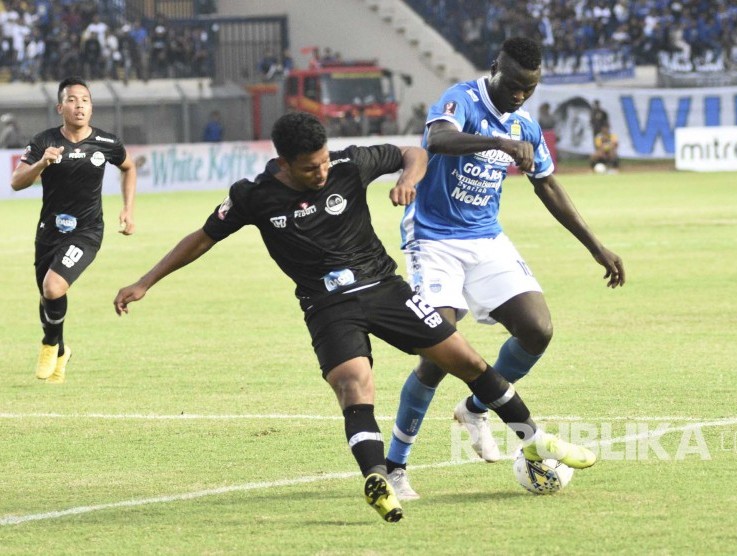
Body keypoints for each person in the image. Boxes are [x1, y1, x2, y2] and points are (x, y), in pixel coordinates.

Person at [112, 112, 598, 523]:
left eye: (324, 161)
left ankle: (534, 442)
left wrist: (408, 179)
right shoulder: (253, 195)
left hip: (384, 288)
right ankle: (377, 478)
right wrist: (145, 282)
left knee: (465, 360)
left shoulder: (349, 164)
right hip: (327, 305)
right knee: (353, 385)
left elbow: (415, 150)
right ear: (283, 163)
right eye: (309, 168)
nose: (321, 172)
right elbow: (201, 237)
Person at [386, 37, 625, 500]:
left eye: (529, 89)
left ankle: (475, 408)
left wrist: (596, 247)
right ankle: (395, 467)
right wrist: (499, 141)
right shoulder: (461, 100)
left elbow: (548, 187)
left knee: (537, 329)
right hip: (433, 239)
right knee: (439, 353)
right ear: (494, 67)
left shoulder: (526, 126)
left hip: (486, 239)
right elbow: (435, 138)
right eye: (514, 85)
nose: (519, 95)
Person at [11, 76, 137, 383]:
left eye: (85, 100)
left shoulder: (107, 142)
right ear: (60, 107)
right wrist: (42, 163)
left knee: (54, 287)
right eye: (72, 100)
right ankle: (63, 350)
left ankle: (49, 344)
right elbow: (16, 182)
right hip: (49, 231)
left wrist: (128, 208)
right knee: (47, 296)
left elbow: (128, 167)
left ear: (91, 107)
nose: (79, 105)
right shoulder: (44, 141)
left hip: (87, 231)